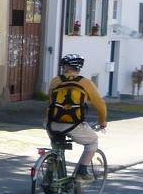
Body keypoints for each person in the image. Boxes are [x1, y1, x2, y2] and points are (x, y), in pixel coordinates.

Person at [45, 54, 107, 182]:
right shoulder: (86, 83)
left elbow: (51, 100)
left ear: (67, 67)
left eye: (63, 66)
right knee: (93, 141)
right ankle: (82, 172)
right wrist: (102, 122)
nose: (62, 68)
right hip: (73, 124)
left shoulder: (55, 81)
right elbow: (100, 105)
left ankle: (48, 178)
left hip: (52, 123)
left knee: (56, 149)